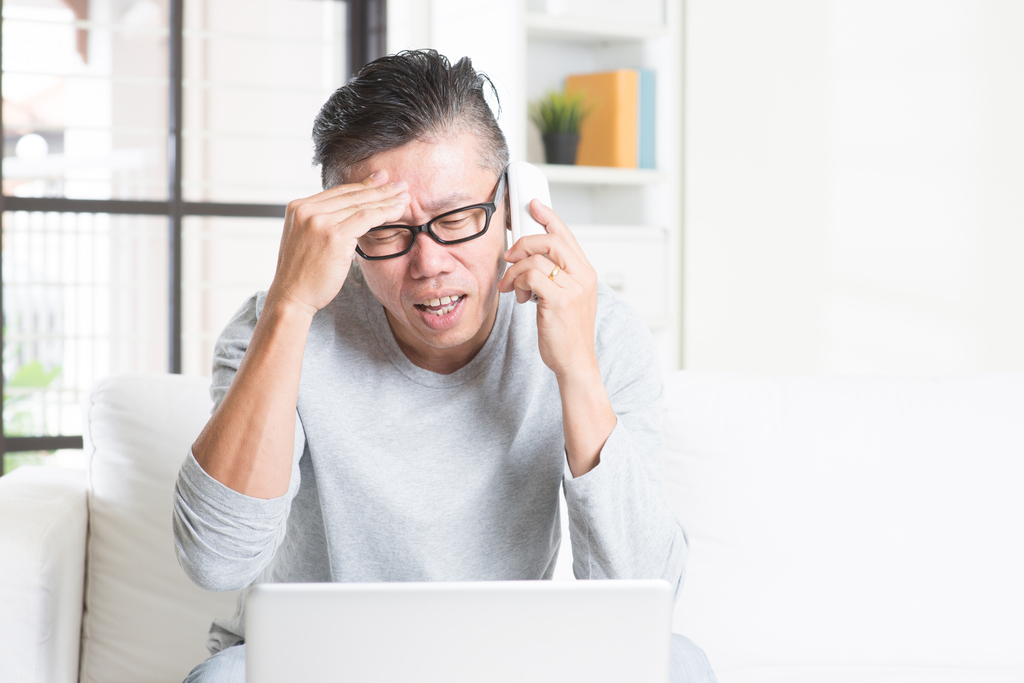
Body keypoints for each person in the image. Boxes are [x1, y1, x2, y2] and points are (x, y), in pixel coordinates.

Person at [173, 49, 716, 683]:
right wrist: (290, 307)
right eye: (384, 231)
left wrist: (577, 373)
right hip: (320, 668)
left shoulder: (593, 326)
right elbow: (215, 561)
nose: (428, 264)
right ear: (341, 233)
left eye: (457, 219)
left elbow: (643, 600)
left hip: (511, 665)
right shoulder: (274, 325)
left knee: (682, 666)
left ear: (511, 204)